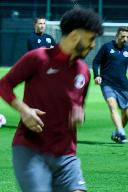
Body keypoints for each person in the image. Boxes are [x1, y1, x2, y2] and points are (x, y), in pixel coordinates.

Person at [0, 8, 103, 192]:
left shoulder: (84, 72)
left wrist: (79, 114)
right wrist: (24, 110)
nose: (94, 45)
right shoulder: (38, 58)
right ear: (74, 36)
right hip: (31, 151)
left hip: (66, 155)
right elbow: (4, 85)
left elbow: (78, 108)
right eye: (91, 38)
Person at [92, 26, 128, 144]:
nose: (125, 39)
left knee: (127, 115)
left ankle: (116, 132)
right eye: (123, 36)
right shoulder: (107, 47)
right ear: (117, 36)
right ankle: (121, 133)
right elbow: (96, 62)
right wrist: (96, 75)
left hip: (122, 86)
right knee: (112, 105)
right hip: (107, 83)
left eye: (127, 37)